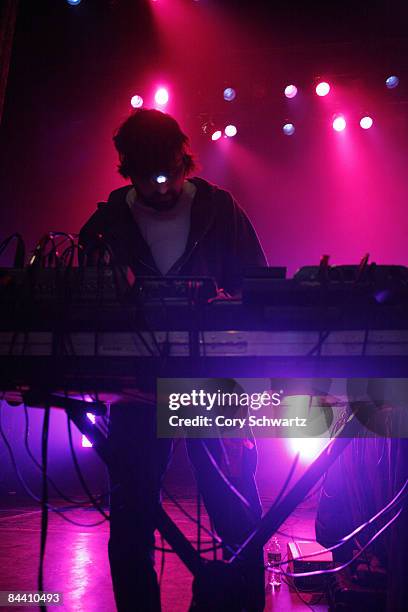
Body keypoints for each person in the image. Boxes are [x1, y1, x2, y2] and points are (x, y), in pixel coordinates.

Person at [79, 109, 268, 611]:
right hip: (136, 383)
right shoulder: (106, 223)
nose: (160, 190)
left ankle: (243, 603)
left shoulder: (220, 209)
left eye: (169, 176)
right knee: (133, 514)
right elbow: (84, 302)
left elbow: (259, 288)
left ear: (185, 160)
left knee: (232, 503)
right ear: (127, 170)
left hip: (211, 380)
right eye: (146, 180)